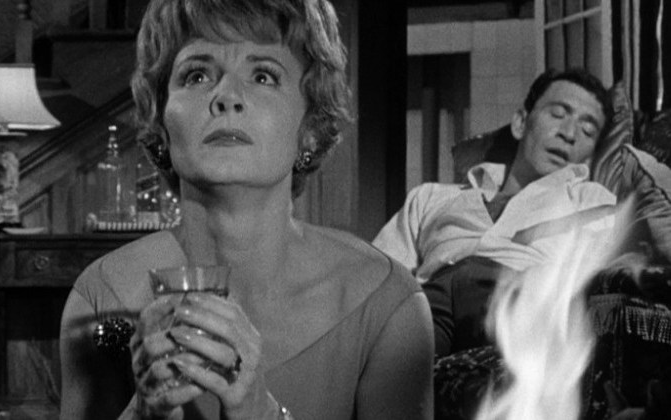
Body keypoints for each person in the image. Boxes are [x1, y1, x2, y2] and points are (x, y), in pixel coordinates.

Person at [59, 1, 434, 419]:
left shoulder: (386, 305)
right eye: (196, 75)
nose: (227, 97)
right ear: (161, 123)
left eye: (263, 76)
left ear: (310, 127)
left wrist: (263, 413)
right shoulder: (104, 300)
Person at [373, 68, 617, 356]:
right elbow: (379, 275)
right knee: (394, 358)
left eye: (588, 130)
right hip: (428, 298)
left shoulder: (592, 201)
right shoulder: (431, 197)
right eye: (558, 114)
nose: (569, 133)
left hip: (517, 296)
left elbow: (595, 278)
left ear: (590, 155)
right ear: (521, 122)